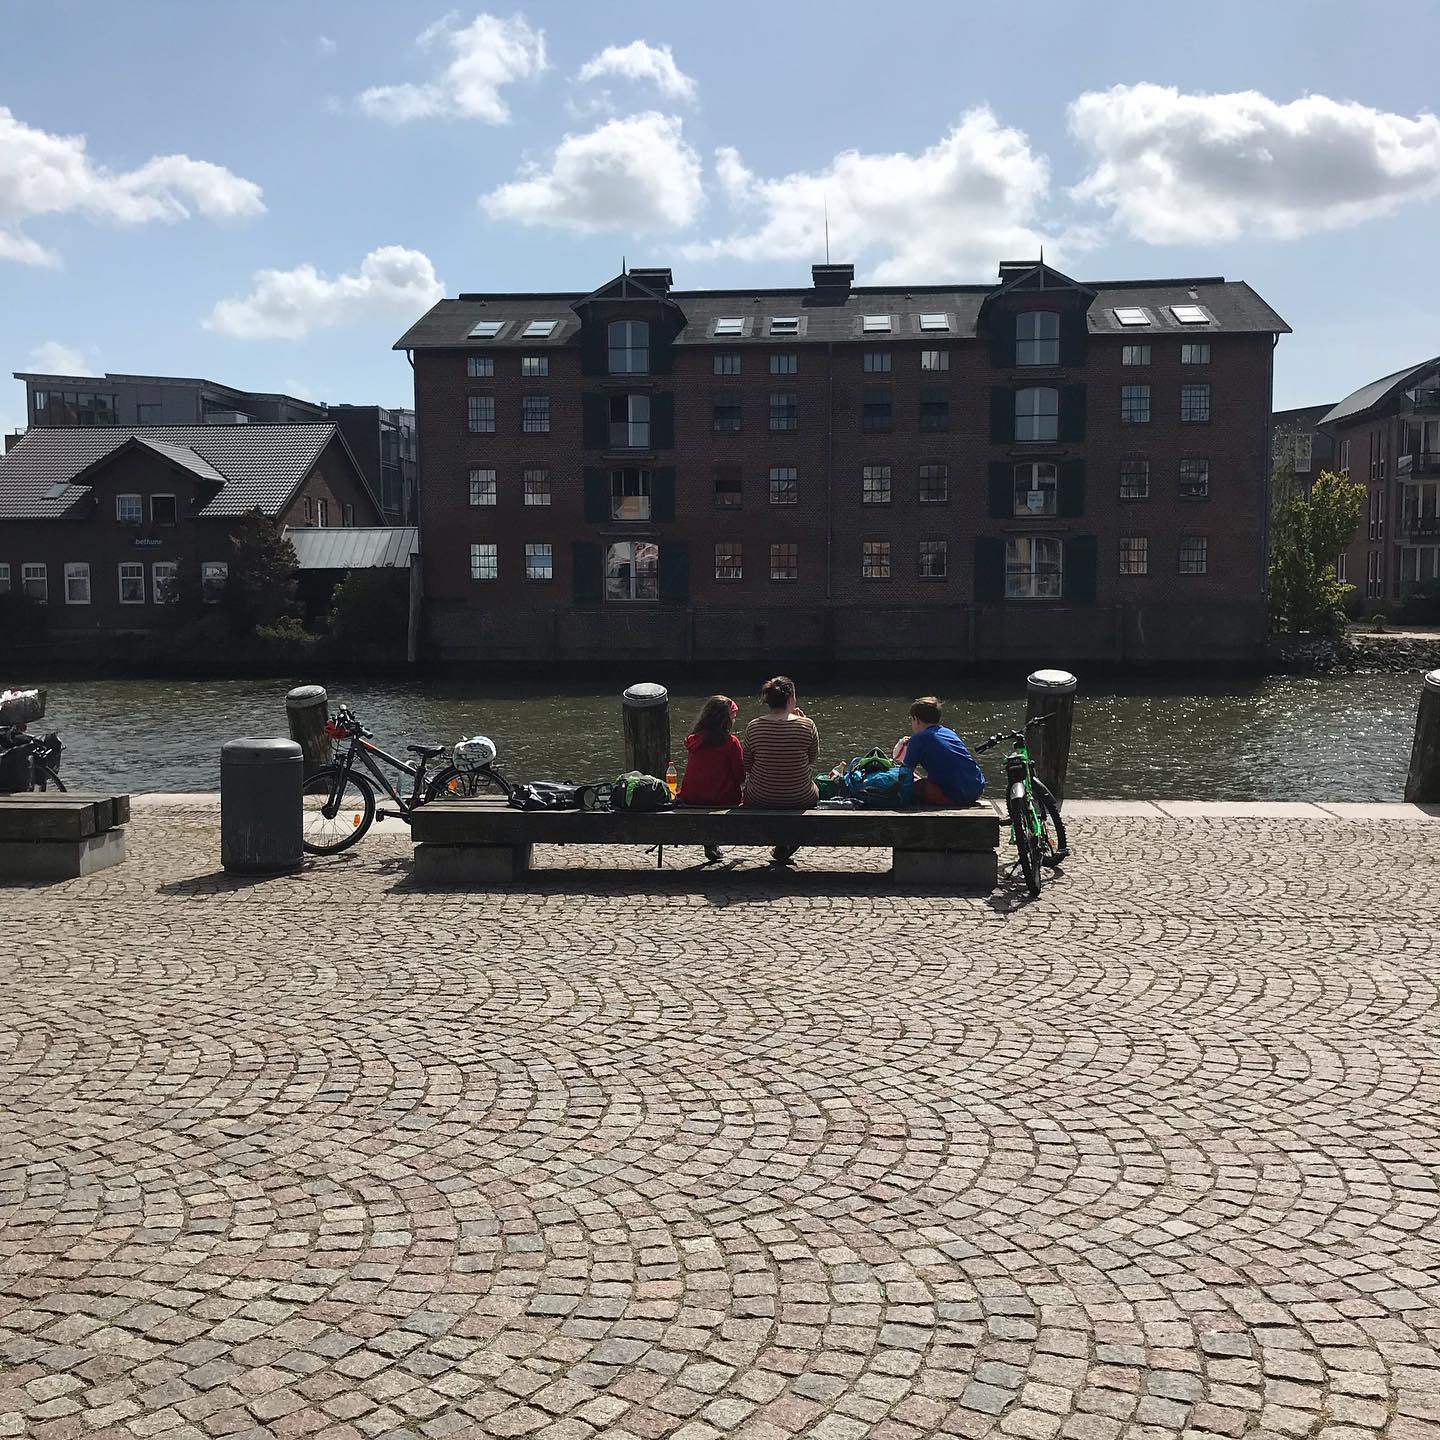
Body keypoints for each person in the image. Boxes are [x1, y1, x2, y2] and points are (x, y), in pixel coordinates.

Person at [742, 676, 819, 865]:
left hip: (760, 796)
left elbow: (747, 764)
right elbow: (812, 759)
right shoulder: (807, 725)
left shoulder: (754, 726)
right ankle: (786, 842)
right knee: (815, 788)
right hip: (800, 797)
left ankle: (782, 844)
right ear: (791, 698)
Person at [677, 695, 745, 863]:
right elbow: (740, 776)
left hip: (691, 798)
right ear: (726, 719)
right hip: (722, 799)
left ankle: (711, 842)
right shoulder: (731, 743)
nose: (734, 720)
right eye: (733, 716)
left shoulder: (694, 740)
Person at [899, 696, 985, 807]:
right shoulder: (949, 732)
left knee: (911, 787)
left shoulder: (918, 738)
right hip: (976, 789)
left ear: (917, 720)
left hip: (954, 796)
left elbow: (904, 774)